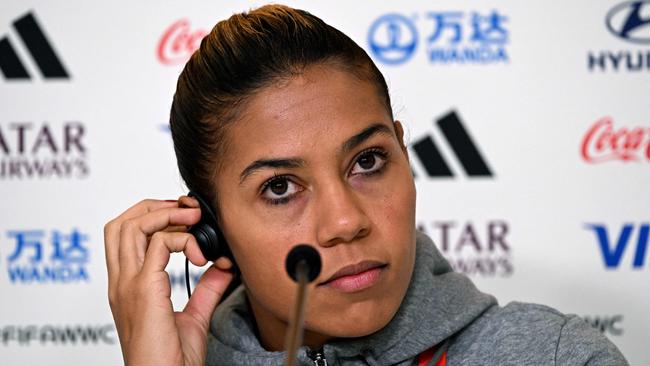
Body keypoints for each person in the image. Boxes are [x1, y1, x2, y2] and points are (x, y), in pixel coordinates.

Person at [104, 4, 628, 365]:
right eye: (281, 187)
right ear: (210, 228)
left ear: (402, 150)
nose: (346, 221)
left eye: (368, 160)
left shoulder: (555, 355)